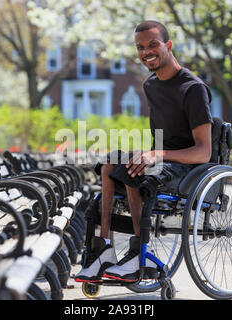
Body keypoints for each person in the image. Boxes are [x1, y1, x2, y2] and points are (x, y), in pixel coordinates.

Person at [75, 20, 213, 282]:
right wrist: (146, 153)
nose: (146, 51)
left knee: (132, 169)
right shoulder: (151, 85)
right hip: (160, 160)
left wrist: (156, 155)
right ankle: (104, 247)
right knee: (109, 162)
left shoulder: (193, 89)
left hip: (188, 167)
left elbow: (203, 152)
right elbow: (160, 139)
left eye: (153, 44)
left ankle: (139, 256)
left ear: (168, 45)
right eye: (140, 47)